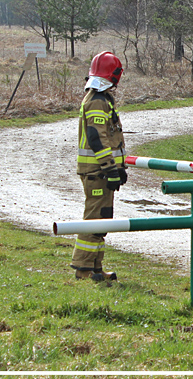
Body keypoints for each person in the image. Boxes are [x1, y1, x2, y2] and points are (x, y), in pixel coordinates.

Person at [70, 51, 128, 283]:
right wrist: (109, 168)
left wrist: (118, 167)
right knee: (94, 219)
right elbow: (97, 138)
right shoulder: (97, 101)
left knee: (101, 218)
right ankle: (83, 268)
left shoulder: (99, 98)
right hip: (97, 172)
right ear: (113, 75)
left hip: (99, 171)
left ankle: (95, 268)